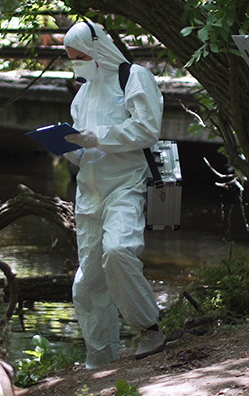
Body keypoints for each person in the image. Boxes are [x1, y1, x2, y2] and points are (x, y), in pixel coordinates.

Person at [60, 21, 166, 368]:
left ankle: (149, 327)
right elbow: (85, 149)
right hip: (89, 195)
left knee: (118, 252)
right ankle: (101, 359)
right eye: (72, 59)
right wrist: (69, 147)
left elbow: (147, 129)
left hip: (126, 184)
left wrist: (98, 136)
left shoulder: (133, 77)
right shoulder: (83, 94)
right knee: (88, 283)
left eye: (81, 56)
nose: (77, 64)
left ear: (98, 49)